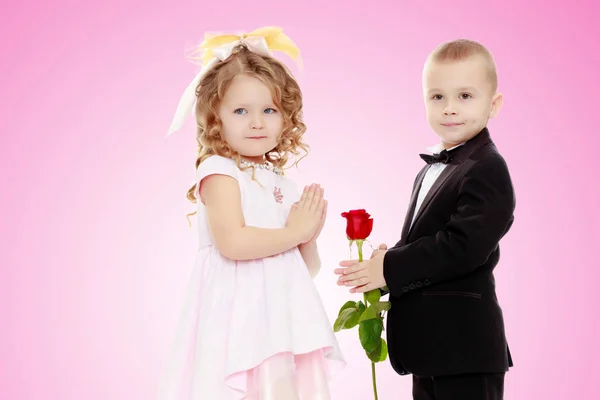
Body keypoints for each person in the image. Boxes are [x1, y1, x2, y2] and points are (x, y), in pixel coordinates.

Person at [157, 27, 345, 399]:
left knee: (283, 387)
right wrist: (294, 232)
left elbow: (303, 269)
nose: (256, 122)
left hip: (282, 318)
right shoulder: (219, 171)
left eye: (269, 110)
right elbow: (233, 242)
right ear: (216, 118)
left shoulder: (282, 182)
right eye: (241, 110)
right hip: (238, 317)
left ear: (286, 117)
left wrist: (309, 235)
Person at [334, 38, 515, 400]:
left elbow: (463, 247)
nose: (450, 108)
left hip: (465, 347)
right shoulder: (433, 168)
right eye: (437, 97)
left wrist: (393, 266)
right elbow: (428, 240)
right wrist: (382, 265)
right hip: (431, 348)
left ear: (493, 104)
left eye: (465, 96)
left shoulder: (487, 167)